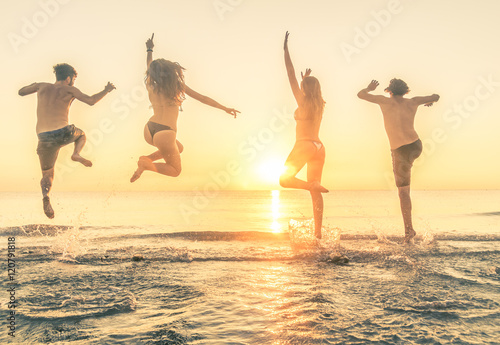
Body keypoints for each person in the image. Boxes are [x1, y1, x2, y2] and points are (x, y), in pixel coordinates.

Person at [130, 34, 240, 182]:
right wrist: (224, 108)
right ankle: (146, 165)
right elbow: (203, 98)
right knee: (175, 170)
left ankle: (147, 160)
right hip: (165, 133)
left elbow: (149, 65)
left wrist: (149, 49)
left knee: (179, 148)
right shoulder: (176, 86)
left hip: (149, 129)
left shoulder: (150, 85)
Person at [18, 63, 115, 219]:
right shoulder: (70, 89)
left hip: (43, 138)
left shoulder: (41, 86)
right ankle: (76, 153)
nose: (74, 82)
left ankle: (45, 196)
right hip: (64, 132)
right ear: (69, 78)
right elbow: (91, 101)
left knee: (48, 174)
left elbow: (21, 92)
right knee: (82, 134)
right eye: (74, 79)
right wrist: (106, 90)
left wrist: (35, 85)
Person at [357, 79, 439, 243]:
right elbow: (436, 96)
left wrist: (369, 88)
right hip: (416, 145)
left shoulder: (383, 101)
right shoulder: (413, 102)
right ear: (406, 91)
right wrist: (430, 101)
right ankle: (409, 229)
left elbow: (360, 94)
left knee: (403, 192)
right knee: (404, 185)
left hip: (400, 151)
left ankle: (409, 230)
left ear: (389, 90)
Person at [279, 31, 329, 239]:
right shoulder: (319, 103)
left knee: (284, 179)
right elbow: (305, 86)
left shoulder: (302, 102)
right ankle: (318, 234)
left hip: (305, 145)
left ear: (304, 89)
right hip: (319, 147)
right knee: (315, 192)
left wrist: (285, 50)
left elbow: (290, 73)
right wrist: (306, 80)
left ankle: (311, 185)